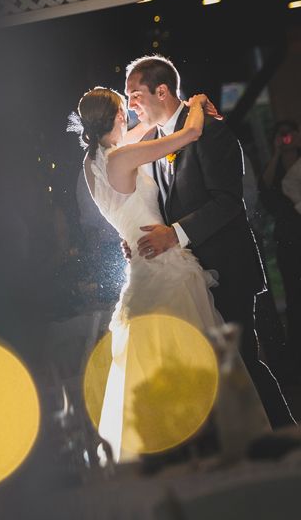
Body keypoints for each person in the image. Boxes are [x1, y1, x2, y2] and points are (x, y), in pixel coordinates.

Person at [69, 88, 270, 458]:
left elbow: (145, 130)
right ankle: (216, 444)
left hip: (141, 265)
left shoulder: (93, 162)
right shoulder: (122, 156)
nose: (129, 113)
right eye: (123, 107)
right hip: (163, 264)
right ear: (115, 117)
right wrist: (195, 104)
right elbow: (190, 134)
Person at [123, 56, 294, 428]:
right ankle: (253, 441)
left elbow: (229, 202)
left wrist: (175, 234)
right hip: (190, 277)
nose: (130, 104)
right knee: (219, 367)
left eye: (135, 94)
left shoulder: (210, 130)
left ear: (163, 90)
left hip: (227, 268)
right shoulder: (157, 142)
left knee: (241, 360)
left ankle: (284, 435)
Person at [268, 120, 301, 367]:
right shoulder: (276, 164)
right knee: (293, 292)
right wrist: (277, 152)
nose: (287, 138)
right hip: (288, 234)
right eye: (283, 134)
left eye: (291, 134)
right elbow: (264, 187)